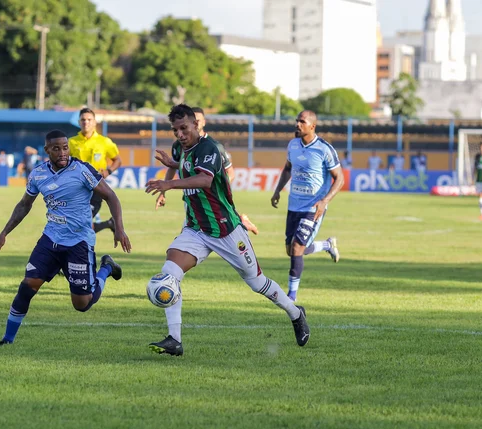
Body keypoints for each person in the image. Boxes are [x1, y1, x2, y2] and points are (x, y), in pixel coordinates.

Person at [145, 104, 310, 356]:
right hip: (196, 229)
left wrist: (169, 183)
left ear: (196, 125)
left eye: (184, 128)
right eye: (175, 130)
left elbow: (205, 179)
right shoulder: (180, 148)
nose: (179, 134)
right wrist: (174, 164)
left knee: (256, 282)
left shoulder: (210, 148)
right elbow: (187, 166)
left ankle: (296, 313)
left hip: (225, 229)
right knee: (170, 272)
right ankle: (174, 340)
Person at [0, 130, 131, 346]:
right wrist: (4, 233)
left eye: (65, 147)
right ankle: (8, 339)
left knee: (82, 304)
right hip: (51, 240)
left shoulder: (82, 170)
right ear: (47, 151)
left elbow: (110, 195)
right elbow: (24, 204)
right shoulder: (38, 174)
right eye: (57, 148)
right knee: (26, 287)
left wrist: (119, 228)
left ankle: (107, 268)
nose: (63, 152)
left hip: (79, 242)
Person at [271, 110, 344, 302]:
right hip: (294, 205)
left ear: (312, 126)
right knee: (291, 250)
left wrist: (325, 201)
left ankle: (292, 295)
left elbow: (340, 179)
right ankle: (327, 245)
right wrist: (278, 190)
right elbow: (287, 168)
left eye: (302, 121)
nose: (297, 124)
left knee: (297, 247)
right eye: (297, 121)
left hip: (314, 207)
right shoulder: (293, 145)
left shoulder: (324, 149)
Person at [154, 106, 259, 235]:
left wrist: (216, 191)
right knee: (187, 241)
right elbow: (180, 166)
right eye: (176, 129)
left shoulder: (213, 146)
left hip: (210, 202)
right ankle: (241, 221)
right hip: (192, 199)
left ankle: (240, 222)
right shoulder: (179, 145)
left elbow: (229, 173)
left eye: (198, 119)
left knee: (191, 237)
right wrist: (163, 190)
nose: (180, 132)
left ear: (200, 123)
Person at [69, 108, 122, 234]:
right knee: (77, 223)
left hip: (96, 188)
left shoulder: (104, 142)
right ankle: (109, 224)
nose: (86, 122)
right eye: (83, 120)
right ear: (79, 122)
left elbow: (118, 160)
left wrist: (108, 171)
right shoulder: (71, 142)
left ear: (94, 122)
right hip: (77, 188)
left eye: (89, 120)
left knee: (81, 222)